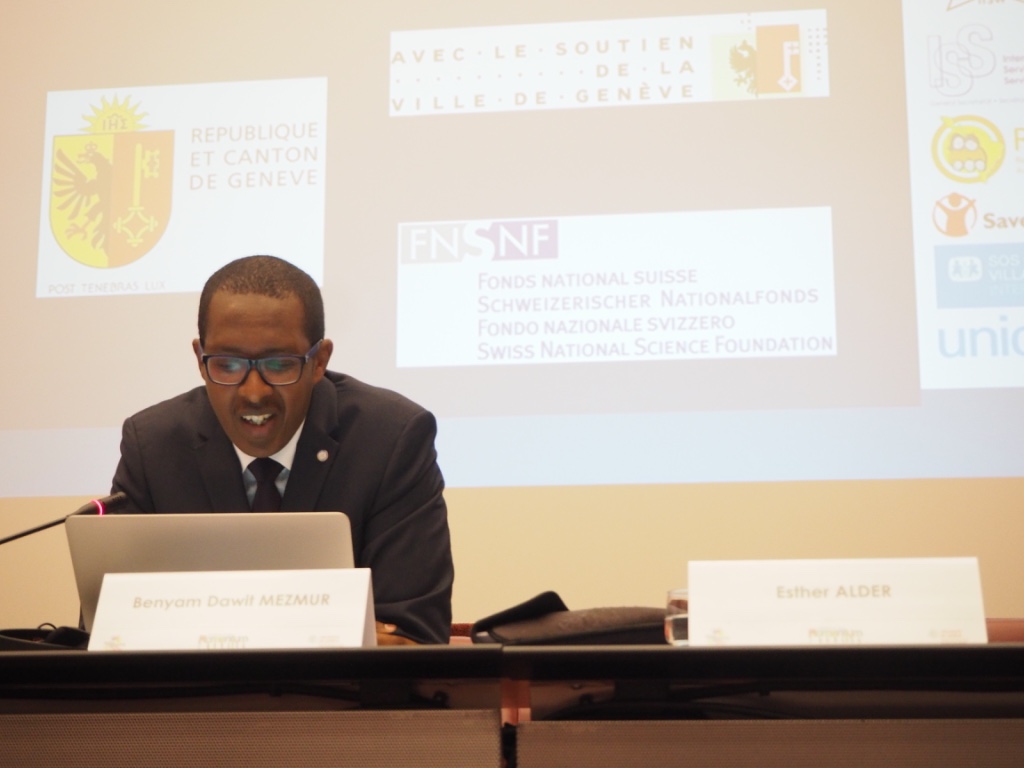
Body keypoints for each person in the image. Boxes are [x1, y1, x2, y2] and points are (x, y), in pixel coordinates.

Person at [110, 255, 454, 645]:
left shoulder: (391, 440)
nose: (254, 393)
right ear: (200, 360)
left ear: (319, 361)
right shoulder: (153, 447)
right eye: (227, 365)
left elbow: (414, 638)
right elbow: (113, 630)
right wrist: (336, 632)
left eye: (278, 365)